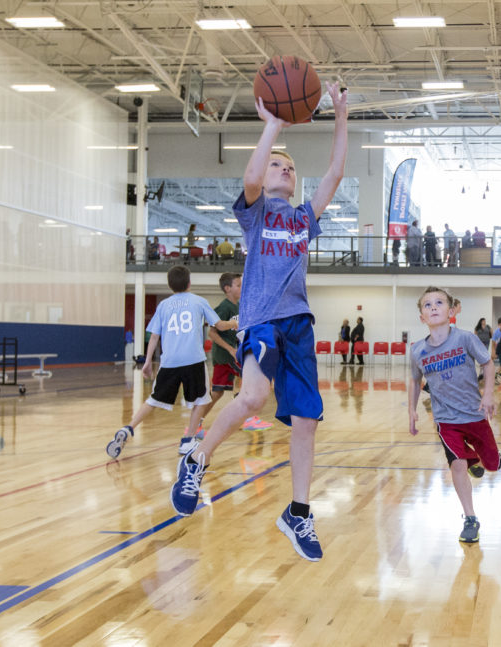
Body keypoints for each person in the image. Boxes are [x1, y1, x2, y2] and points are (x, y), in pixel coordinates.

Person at [168, 80, 349, 562]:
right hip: (263, 318)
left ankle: (299, 511)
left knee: (307, 420)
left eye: (290, 168)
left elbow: (335, 172)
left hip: (299, 323)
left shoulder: (303, 218)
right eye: (278, 165)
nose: (285, 170)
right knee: (251, 395)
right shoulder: (256, 215)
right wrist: (272, 124)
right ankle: (197, 459)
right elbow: (250, 176)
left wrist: (341, 112)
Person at [106, 265, 236, 458]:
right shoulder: (199, 301)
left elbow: (155, 336)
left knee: (153, 399)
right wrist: (236, 323)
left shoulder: (163, 305)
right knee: (202, 400)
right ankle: (188, 440)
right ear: (189, 283)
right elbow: (219, 325)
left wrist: (148, 361)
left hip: (169, 361)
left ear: (170, 285)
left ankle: (128, 428)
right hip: (193, 359)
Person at [408, 287, 499, 543]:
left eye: (439, 303)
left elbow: (488, 363)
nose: (433, 307)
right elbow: (415, 382)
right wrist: (411, 411)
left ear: (451, 310)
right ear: (421, 316)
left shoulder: (465, 339)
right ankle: (470, 518)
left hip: (475, 414)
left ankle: (476, 459)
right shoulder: (417, 351)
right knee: (456, 464)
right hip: (446, 420)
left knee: (493, 465)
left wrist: (488, 394)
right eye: (427, 305)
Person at [196, 272, 272, 433]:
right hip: (227, 355)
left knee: (217, 392)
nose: (241, 287)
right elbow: (212, 333)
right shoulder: (224, 308)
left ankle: (195, 424)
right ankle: (249, 419)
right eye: (238, 285)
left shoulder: (238, 306)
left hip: (228, 354)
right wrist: (230, 349)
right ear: (227, 288)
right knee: (252, 379)